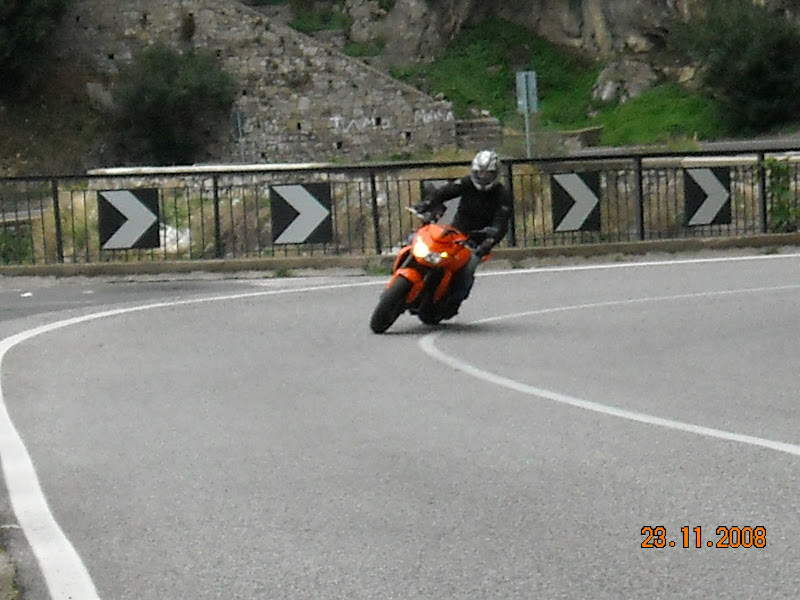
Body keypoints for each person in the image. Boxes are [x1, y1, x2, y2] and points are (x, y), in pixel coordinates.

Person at [413, 149, 513, 317]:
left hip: (478, 240)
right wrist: (428, 202)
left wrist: (490, 239)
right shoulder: (467, 183)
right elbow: (446, 191)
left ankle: (454, 300)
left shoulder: (502, 194)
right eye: (480, 172)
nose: (483, 176)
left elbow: (501, 221)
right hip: (456, 231)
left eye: (488, 173)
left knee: (468, 267)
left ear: (495, 174)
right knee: (425, 243)